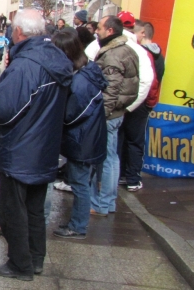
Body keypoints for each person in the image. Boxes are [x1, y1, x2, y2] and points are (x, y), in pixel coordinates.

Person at [0, 9, 72, 280]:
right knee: (33, 209)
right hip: (44, 146)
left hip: (20, 148)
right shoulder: (56, 57)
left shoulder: (25, 65)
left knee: (13, 209)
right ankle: (35, 259)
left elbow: (2, 110)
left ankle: (20, 264)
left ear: (18, 32)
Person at [50, 28, 107, 238]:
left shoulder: (81, 81)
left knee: (80, 183)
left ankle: (78, 226)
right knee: (81, 181)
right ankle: (77, 224)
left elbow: (71, 114)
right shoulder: (86, 71)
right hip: (87, 137)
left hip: (83, 140)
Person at [90, 16, 139, 216]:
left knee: (107, 159)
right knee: (111, 158)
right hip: (118, 111)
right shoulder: (127, 50)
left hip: (109, 114)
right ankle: (107, 203)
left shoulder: (113, 55)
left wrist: (101, 115)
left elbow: (110, 91)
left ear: (110, 31)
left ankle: (102, 203)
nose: (96, 31)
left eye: (100, 28)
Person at [115, 12, 156, 192]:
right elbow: (152, 81)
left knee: (122, 140)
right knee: (132, 141)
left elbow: (150, 81)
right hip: (138, 101)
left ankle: (122, 176)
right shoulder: (145, 52)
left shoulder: (130, 50)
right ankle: (129, 177)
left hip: (128, 101)